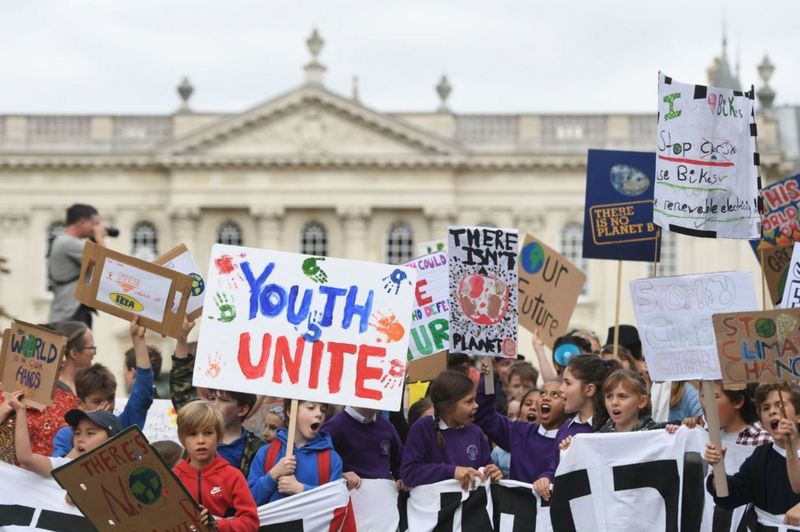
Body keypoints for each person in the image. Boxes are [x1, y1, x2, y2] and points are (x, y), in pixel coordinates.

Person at [170, 319, 264, 477]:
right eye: (212, 398)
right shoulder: (197, 424)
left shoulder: (257, 448)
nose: (214, 405)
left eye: (224, 400)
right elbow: (181, 385)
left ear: (242, 409)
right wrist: (181, 338)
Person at [51, 317, 154, 456]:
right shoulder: (67, 436)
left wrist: (138, 339)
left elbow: (143, 394)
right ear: (80, 404)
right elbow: (59, 470)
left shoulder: (122, 425)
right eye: (97, 401)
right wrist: (89, 439)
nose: (107, 406)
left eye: (110, 399)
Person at [704, 383, 800, 526]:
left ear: (798, 415)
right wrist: (717, 469)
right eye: (766, 408)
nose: (772, 411)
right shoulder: (760, 457)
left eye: (780, 405)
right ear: (761, 422)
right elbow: (730, 497)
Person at [534, 355, 619, 500]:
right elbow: (554, 469)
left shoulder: (611, 428)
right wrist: (545, 478)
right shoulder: (565, 428)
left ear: (589, 390)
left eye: (567, 383)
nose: (561, 389)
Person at [400, 370, 502, 490]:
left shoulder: (476, 432)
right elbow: (409, 473)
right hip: (433, 506)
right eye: (469, 401)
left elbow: (486, 469)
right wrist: (452, 471)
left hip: (470, 506)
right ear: (448, 407)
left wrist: (493, 474)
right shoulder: (422, 428)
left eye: (475, 400)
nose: (476, 405)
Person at [173, 401, 258, 532]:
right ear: (182, 439)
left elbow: (251, 522)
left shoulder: (233, 476)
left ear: (219, 436)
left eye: (208, 433)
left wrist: (218, 525)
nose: (201, 440)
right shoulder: (173, 478)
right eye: (193, 434)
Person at [476, 367, 567, 483]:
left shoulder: (570, 440)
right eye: (543, 394)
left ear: (567, 404)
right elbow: (484, 415)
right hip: (516, 500)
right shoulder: (519, 431)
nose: (546, 398)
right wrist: (488, 378)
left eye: (555, 395)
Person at [247, 400, 343, 505]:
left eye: (323, 410)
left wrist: (301, 489)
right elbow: (248, 501)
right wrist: (273, 475)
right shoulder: (265, 453)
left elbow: (336, 504)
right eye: (311, 408)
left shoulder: (332, 459)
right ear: (290, 411)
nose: (319, 414)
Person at [10, 389, 120, 478]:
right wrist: (20, 411)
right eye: (77, 433)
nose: (80, 439)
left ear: (111, 440)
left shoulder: (124, 473)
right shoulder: (65, 466)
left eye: (90, 433)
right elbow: (26, 458)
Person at [48, 204, 108, 327]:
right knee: (81, 346)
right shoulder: (67, 242)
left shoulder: (64, 242)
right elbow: (106, 261)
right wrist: (99, 236)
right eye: (93, 223)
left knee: (85, 346)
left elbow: (95, 261)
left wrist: (96, 238)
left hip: (70, 311)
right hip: (70, 313)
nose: (94, 228)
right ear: (82, 222)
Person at [323, 404, 404, 491]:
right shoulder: (334, 426)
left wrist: (401, 477)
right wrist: (341, 475)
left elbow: (400, 461)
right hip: (352, 494)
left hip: (384, 496)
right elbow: (319, 465)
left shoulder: (387, 427)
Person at [683, 382, 771, 446]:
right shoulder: (703, 432)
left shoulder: (764, 440)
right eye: (703, 396)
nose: (706, 404)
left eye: (714, 397)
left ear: (738, 402)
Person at [597, 369, 666, 433]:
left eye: (622, 396)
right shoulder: (598, 437)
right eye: (609, 397)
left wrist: (672, 432)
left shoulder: (657, 432)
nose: (614, 402)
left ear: (642, 401)